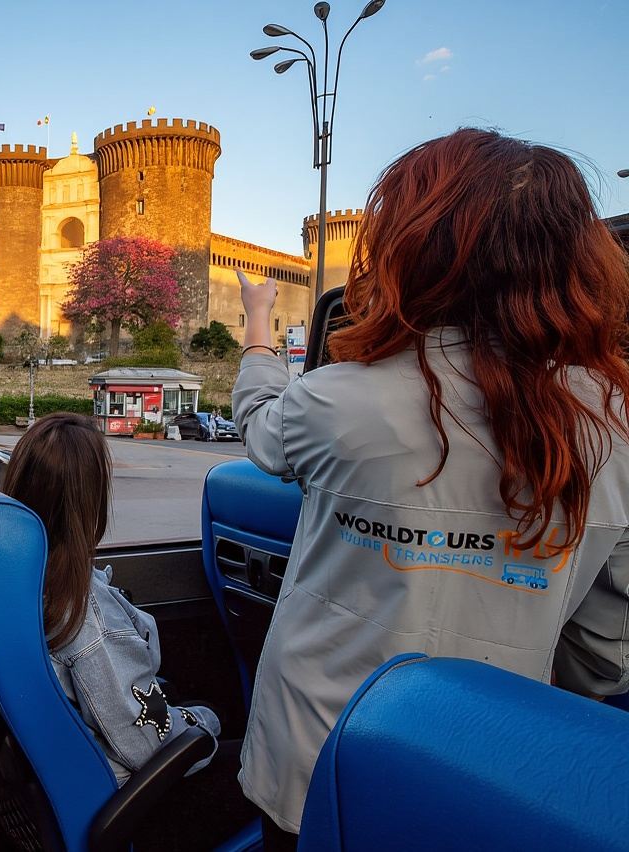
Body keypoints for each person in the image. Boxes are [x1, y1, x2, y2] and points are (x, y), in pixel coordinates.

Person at [231, 128, 629, 850]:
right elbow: (607, 638)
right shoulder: (615, 421)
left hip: (316, 759)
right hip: (492, 775)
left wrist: (258, 322)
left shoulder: (340, 400)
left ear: (413, 250)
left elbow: (259, 423)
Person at [1, 413, 255, 849]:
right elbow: (144, 742)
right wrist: (206, 723)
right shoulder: (85, 616)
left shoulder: (16, 577)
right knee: (265, 774)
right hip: (129, 798)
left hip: (64, 776)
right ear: (91, 502)